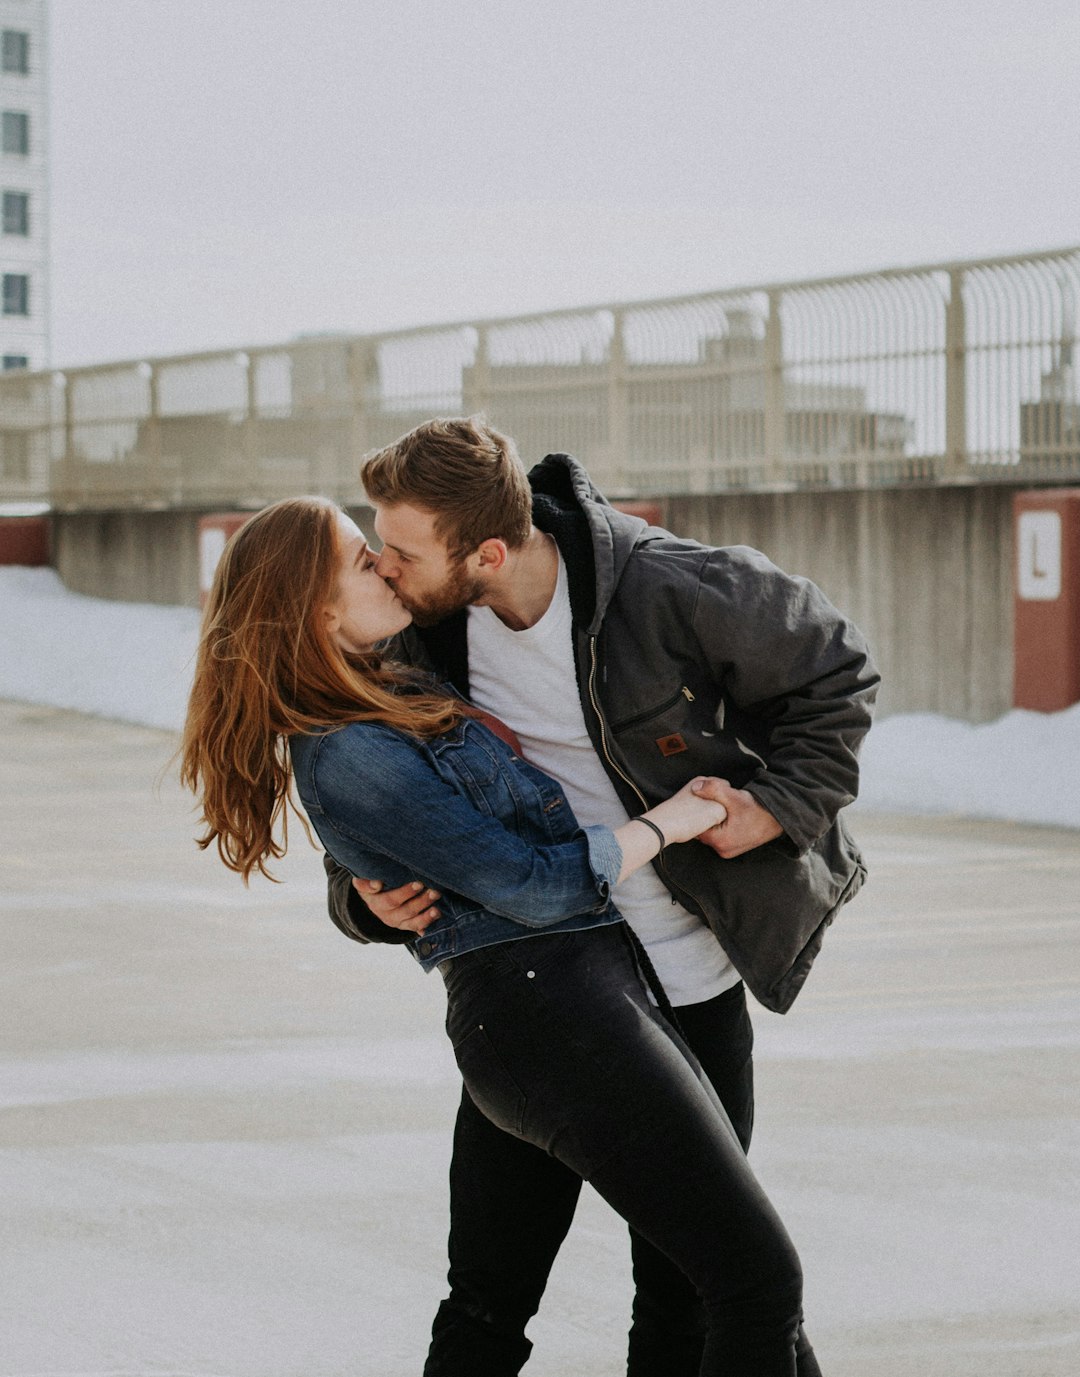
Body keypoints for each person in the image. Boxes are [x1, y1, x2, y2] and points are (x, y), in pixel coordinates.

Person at [180, 494, 822, 1377]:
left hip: (578, 1000)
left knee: (531, 1303)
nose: (388, 565)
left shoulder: (395, 676)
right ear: (316, 610)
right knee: (753, 1284)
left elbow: (428, 842)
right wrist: (670, 822)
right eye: (365, 560)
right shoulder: (350, 745)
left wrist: (368, 899)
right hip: (551, 1012)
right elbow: (529, 881)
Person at [326, 416, 879, 1376]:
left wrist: (776, 807)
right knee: (488, 1294)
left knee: (687, 1296)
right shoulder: (422, 634)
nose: (384, 565)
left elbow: (836, 672)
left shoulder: (663, 586)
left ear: (486, 552)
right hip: (545, 994)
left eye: (403, 550)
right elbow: (376, 795)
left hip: (690, 988)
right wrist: (360, 901)